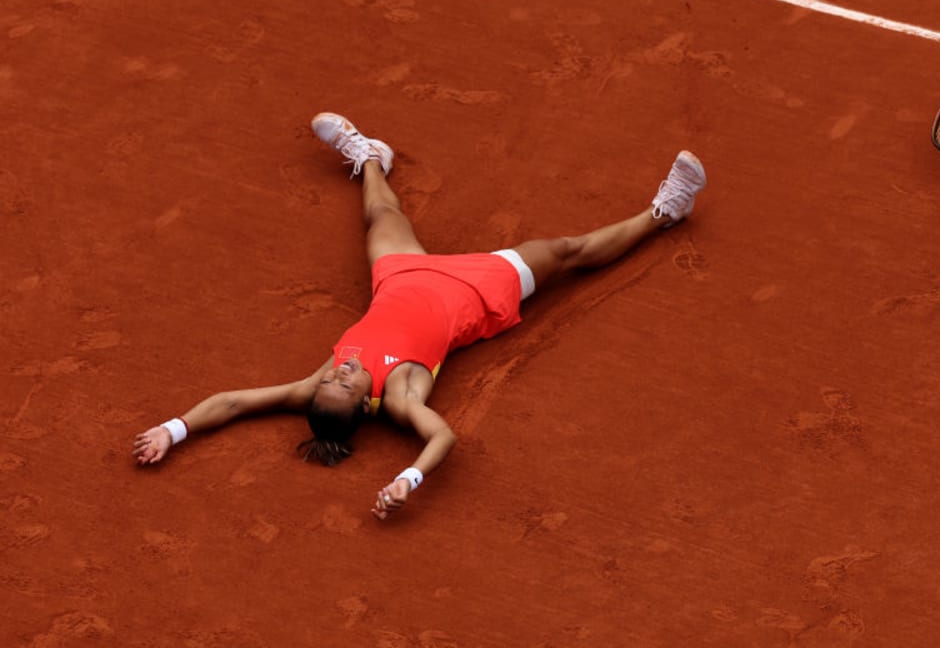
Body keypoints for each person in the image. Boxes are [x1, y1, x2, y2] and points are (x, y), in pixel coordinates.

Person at [133, 112, 706, 520]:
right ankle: (664, 212)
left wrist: (172, 429)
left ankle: (370, 157)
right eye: (344, 382)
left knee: (380, 211)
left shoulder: (316, 386)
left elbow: (233, 402)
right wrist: (408, 478)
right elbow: (442, 436)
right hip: (475, 292)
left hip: (400, 276)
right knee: (565, 251)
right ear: (367, 404)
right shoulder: (404, 397)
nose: (336, 373)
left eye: (330, 378)